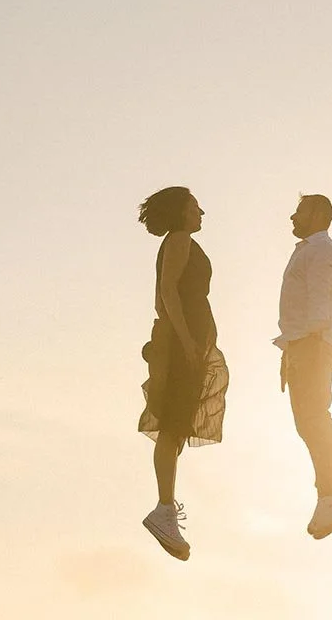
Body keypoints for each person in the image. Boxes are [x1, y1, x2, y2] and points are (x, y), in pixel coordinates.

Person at [135, 185, 227, 560]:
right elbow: (168, 293)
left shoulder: (181, 241)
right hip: (181, 343)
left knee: (177, 427)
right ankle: (163, 508)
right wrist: (187, 342)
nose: (201, 212)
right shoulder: (179, 239)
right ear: (180, 212)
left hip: (186, 341)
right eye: (194, 206)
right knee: (172, 425)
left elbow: (166, 295)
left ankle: (166, 509)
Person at [276, 193, 332, 539]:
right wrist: (290, 351)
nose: (292, 217)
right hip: (304, 344)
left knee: (313, 416)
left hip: (314, 343)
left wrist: (305, 346)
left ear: (319, 214)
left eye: (300, 211)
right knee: (306, 420)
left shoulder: (321, 249)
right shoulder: (310, 249)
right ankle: (329, 491)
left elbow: (320, 301)